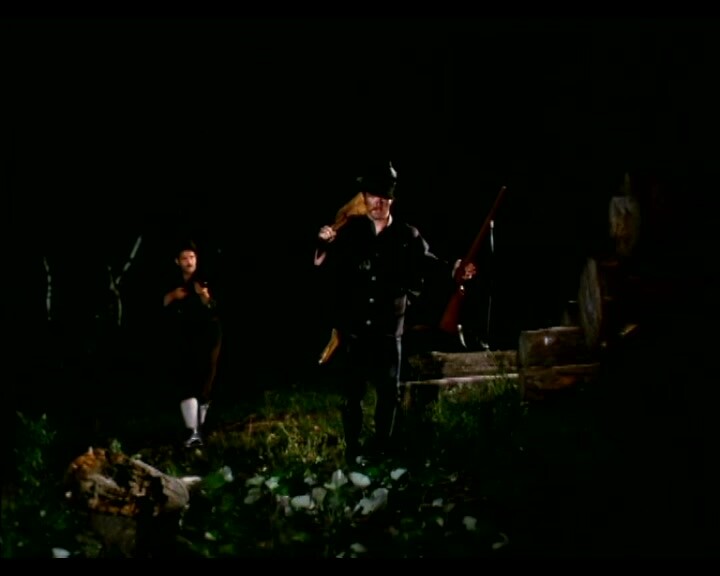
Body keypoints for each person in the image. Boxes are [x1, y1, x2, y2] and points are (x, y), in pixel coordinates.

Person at [313, 160, 476, 463]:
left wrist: (455, 268)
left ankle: (381, 452)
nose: (378, 203)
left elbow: (431, 264)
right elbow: (324, 264)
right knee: (351, 396)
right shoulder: (350, 232)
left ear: (392, 200)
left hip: (388, 332)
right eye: (372, 196)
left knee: (389, 395)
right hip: (354, 331)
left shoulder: (407, 236)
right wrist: (323, 243)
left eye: (384, 197)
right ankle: (352, 452)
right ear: (364, 198)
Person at [162, 240, 222, 448]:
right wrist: (172, 296)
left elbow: (215, 307)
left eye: (192, 257)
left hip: (208, 335)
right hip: (184, 336)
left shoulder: (206, 278)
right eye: (185, 258)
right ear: (177, 262)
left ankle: (199, 428)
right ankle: (193, 431)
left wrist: (204, 296)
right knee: (185, 381)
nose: (189, 262)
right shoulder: (172, 281)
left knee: (205, 380)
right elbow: (161, 303)